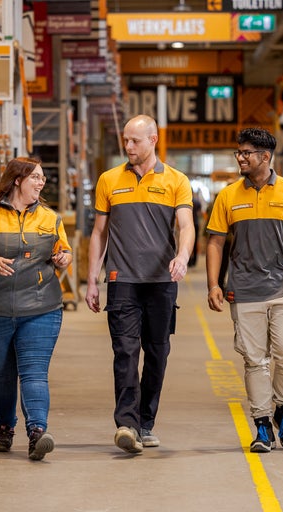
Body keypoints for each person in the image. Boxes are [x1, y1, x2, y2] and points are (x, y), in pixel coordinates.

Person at [205, 127, 283, 453]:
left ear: (265, 156)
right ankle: (262, 424)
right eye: (239, 152)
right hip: (245, 290)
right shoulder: (228, 196)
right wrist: (214, 284)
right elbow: (215, 242)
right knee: (254, 360)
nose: (240, 158)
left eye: (246, 153)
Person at [86, 115, 195, 454]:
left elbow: (186, 226)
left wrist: (183, 256)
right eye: (125, 140)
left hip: (161, 282)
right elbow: (99, 233)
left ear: (153, 140)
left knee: (158, 353)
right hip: (122, 281)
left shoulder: (176, 180)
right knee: (125, 352)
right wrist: (92, 280)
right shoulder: (109, 180)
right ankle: (127, 424)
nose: (128, 146)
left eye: (134, 140)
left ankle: (146, 422)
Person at [0, 156, 72, 461]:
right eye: (35, 177)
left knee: (34, 372)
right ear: (18, 180)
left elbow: (64, 250)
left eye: (42, 177)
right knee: (2, 374)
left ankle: (37, 433)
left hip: (41, 307)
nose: (41, 182)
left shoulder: (50, 218)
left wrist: (64, 258)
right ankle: (4, 428)